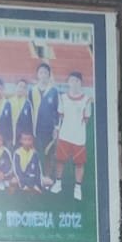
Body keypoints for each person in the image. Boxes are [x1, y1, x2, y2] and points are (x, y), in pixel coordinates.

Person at [50, 71, 92, 201]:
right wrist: (57, 130)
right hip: (64, 136)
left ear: (80, 83)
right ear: (68, 82)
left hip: (79, 138)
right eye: (72, 80)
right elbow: (60, 116)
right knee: (60, 161)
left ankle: (77, 187)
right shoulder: (63, 98)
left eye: (77, 81)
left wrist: (77, 128)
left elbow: (87, 118)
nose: (74, 83)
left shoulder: (86, 99)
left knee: (79, 163)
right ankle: (58, 183)